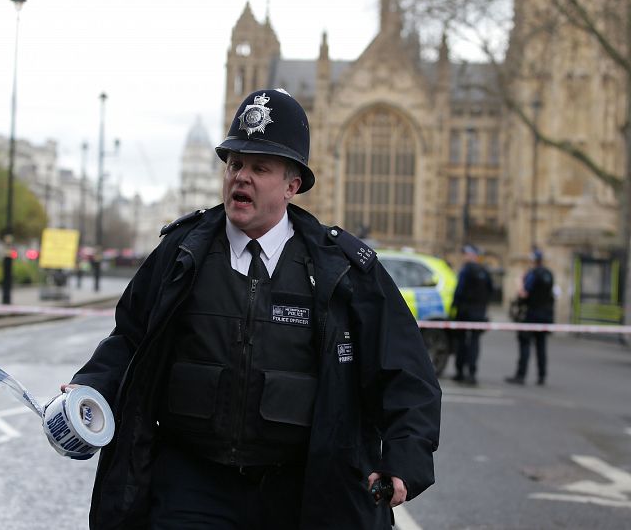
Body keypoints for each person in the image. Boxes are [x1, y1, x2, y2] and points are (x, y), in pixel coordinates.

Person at [61, 89, 441, 529]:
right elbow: (130, 338)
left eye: (260, 168)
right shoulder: (181, 252)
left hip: (300, 488)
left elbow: (403, 367)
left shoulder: (341, 268)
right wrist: (89, 386)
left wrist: (406, 454)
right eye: (235, 164)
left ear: (292, 186)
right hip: (190, 481)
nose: (241, 177)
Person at [506, 248, 555, 386]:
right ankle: (542, 376)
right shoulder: (549, 274)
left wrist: (519, 283)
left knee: (525, 344)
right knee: (541, 346)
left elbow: (524, 294)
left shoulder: (532, 274)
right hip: (545, 315)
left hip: (531, 314)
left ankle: (521, 375)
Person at [451, 243, 493, 385]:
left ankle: (460, 372)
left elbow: (459, 289)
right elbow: (490, 290)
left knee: (462, 341)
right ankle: (472, 373)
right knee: (474, 342)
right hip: (479, 312)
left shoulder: (466, 270)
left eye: (466, 254)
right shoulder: (484, 271)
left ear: (472, 255)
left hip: (465, 310)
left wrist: (454, 306)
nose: (464, 257)